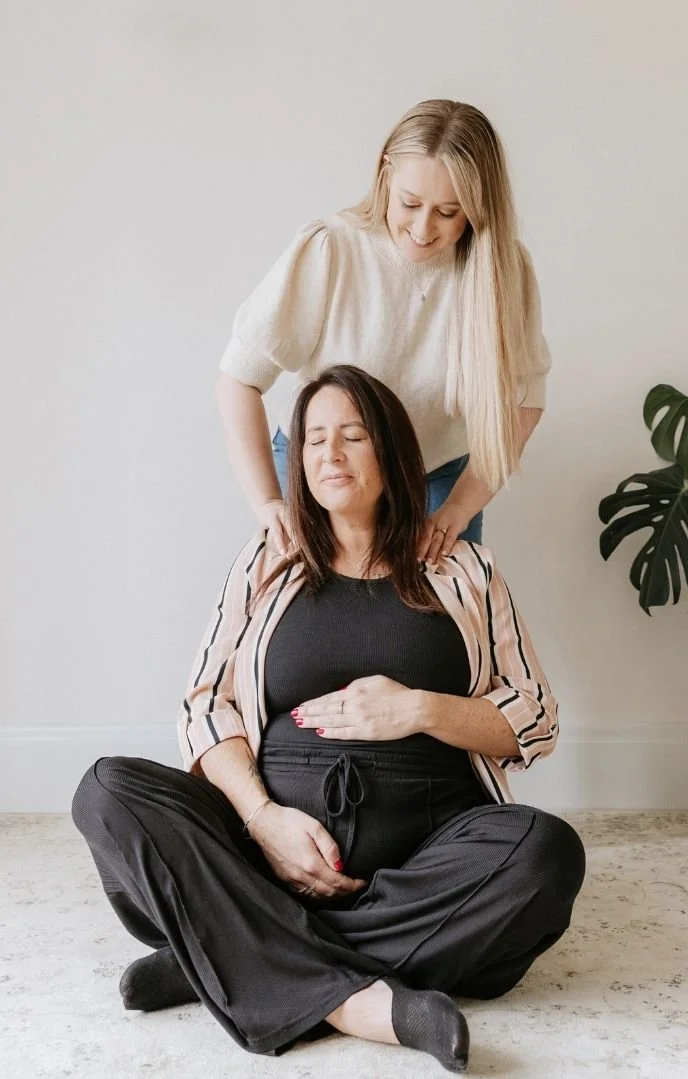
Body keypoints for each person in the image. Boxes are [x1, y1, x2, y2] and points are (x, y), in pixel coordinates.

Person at [72, 366, 584, 1073]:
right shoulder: (266, 562)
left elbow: (536, 716)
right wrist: (260, 818)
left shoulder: (466, 568)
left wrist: (418, 707)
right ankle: (359, 1000)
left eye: (352, 435)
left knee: (545, 853)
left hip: (425, 851)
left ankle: (228, 954)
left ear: (395, 455)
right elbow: (203, 703)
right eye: (313, 439)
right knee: (107, 790)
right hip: (270, 853)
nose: (329, 454)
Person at [216, 98, 551, 560]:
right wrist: (268, 501)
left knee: (440, 625)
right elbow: (239, 377)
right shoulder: (332, 248)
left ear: (478, 208)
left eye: (448, 212)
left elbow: (523, 402)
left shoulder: (503, 272)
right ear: (385, 173)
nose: (422, 228)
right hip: (328, 475)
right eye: (410, 203)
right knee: (318, 625)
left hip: (435, 478)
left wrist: (460, 506)